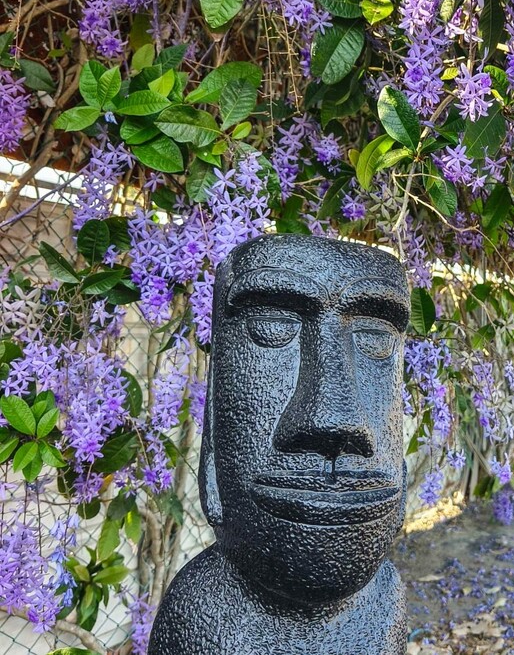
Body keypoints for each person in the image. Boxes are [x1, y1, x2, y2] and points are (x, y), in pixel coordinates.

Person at [150, 235, 411, 655]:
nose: (336, 421)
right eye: (272, 329)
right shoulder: (201, 626)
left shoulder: (386, 600)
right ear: (213, 419)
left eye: (375, 339)